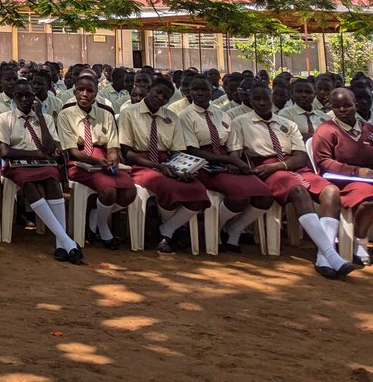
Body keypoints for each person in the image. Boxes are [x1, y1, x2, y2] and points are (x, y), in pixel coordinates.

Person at [235, 86, 356, 279]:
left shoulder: (286, 123)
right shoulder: (240, 122)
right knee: (298, 191)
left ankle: (323, 256)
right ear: (250, 100)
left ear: (272, 99)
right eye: (256, 99)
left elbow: (300, 157)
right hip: (265, 168)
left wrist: (279, 166)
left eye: (265, 98)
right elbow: (237, 154)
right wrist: (265, 169)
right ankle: (331, 254)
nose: (261, 102)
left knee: (331, 191)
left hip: (292, 165)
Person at [177, 76, 272, 252]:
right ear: (189, 92)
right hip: (203, 165)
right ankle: (214, 230)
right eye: (195, 89)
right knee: (239, 197)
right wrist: (231, 160)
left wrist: (234, 159)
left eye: (204, 89)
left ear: (212, 91)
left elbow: (233, 143)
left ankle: (233, 228)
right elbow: (191, 149)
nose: (199, 93)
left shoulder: (222, 114)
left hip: (228, 162)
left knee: (265, 195)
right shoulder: (184, 117)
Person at [117, 76, 211, 252]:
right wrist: (159, 167)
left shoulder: (171, 117)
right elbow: (127, 151)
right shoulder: (129, 113)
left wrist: (182, 168)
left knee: (197, 188)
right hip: (140, 164)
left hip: (168, 162)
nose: (161, 98)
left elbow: (177, 150)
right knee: (165, 185)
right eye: (158, 92)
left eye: (166, 97)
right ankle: (171, 231)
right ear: (149, 89)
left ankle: (167, 230)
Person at [0, 78, 81, 262]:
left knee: (52, 181)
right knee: (29, 185)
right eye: (19, 95)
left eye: (28, 95)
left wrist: (40, 116)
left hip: (43, 164)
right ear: (14, 98)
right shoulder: (5, 118)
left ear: (35, 97)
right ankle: (67, 242)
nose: (24, 99)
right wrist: (35, 153)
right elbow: (5, 151)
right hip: (17, 165)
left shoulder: (47, 119)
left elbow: (50, 148)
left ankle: (61, 244)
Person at [57, 72, 136, 249]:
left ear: (96, 93)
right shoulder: (65, 115)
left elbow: (113, 145)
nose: (84, 94)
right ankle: (103, 228)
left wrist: (112, 159)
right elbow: (72, 152)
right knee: (109, 191)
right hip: (80, 162)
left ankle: (94, 218)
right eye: (80, 90)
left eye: (89, 90)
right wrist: (98, 163)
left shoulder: (106, 114)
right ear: (75, 92)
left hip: (104, 159)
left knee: (129, 191)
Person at [310, 87, 373, 265]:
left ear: (356, 105)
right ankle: (360, 241)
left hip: (368, 178)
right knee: (370, 200)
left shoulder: (368, 129)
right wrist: (356, 171)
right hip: (341, 181)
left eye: (347, 105)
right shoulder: (326, 130)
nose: (342, 110)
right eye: (337, 107)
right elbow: (323, 162)